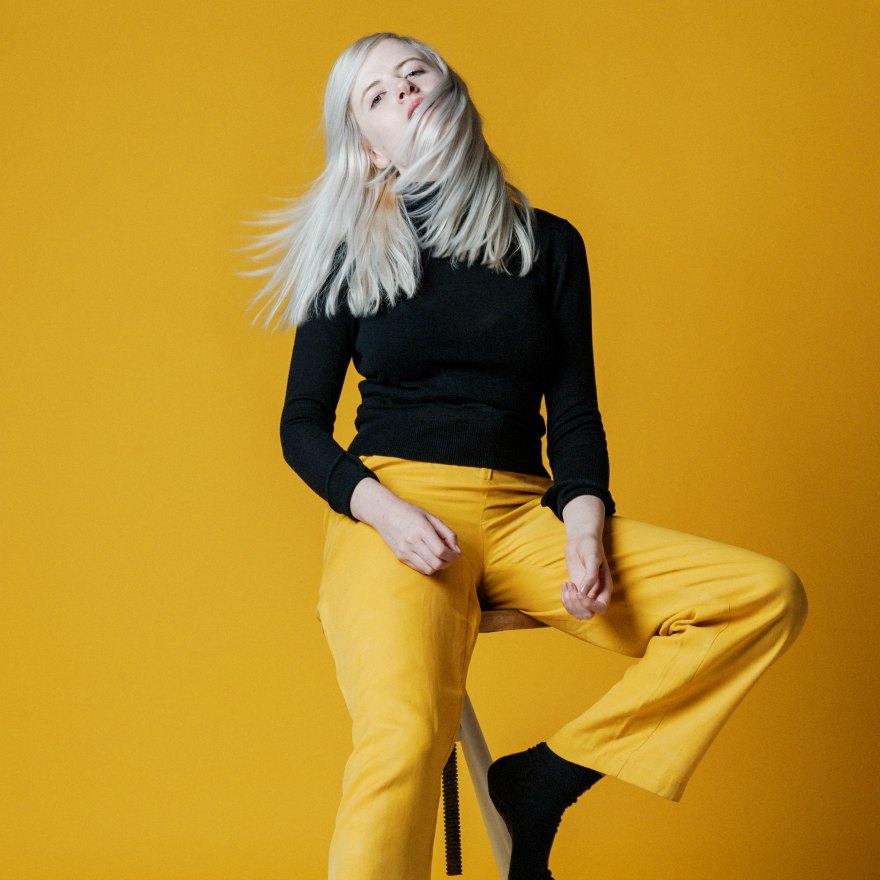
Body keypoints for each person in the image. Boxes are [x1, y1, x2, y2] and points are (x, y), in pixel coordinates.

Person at [239, 31, 808, 880]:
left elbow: (574, 413)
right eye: (376, 96)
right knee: (403, 734)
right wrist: (384, 512)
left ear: (453, 91)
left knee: (761, 596)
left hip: (523, 515)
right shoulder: (349, 248)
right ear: (370, 146)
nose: (404, 92)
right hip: (392, 511)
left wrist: (584, 524)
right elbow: (300, 427)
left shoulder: (550, 245)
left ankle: (542, 781)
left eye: (414, 74)